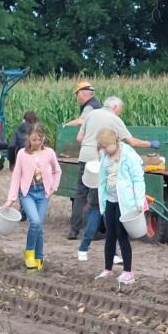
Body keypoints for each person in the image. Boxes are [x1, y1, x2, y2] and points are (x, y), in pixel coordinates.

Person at [76, 97, 159, 261]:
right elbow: (131, 141)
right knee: (101, 208)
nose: (120, 112)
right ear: (115, 107)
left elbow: (79, 138)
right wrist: (151, 144)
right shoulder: (114, 119)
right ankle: (96, 250)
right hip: (102, 164)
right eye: (120, 109)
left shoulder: (91, 114)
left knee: (94, 204)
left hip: (86, 162)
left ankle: (83, 245)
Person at [4, 123, 61, 270]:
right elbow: (16, 176)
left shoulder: (49, 153)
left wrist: (53, 188)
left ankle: (39, 257)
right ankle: (29, 253)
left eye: (39, 139)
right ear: (28, 138)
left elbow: (57, 171)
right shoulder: (22, 154)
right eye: (34, 139)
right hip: (27, 193)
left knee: (39, 226)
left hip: (43, 193)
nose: (36, 142)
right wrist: (11, 199)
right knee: (35, 222)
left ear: (44, 138)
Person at [93, 128, 146, 284]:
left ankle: (128, 272)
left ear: (114, 142)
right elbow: (102, 179)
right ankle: (108, 269)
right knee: (110, 235)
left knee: (122, 235)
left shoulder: (129, 156)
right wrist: (103, 202)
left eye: (106, 146)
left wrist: (138, 201)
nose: (104, 150)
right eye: (102, 147)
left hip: (126, 202)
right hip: (110, 200)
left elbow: (138, 179)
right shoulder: (104, 157)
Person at [66, 81, 103, 239]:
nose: (77, 97)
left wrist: (67, 125)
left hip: (85, 156)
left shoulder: (90, 107)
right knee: (94, 196)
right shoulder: (97, 108)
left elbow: (81, 124)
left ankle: (73, 230)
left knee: (81, 194)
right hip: (95, 157)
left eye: (78, 93)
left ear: (84, 93)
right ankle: (92, 231)